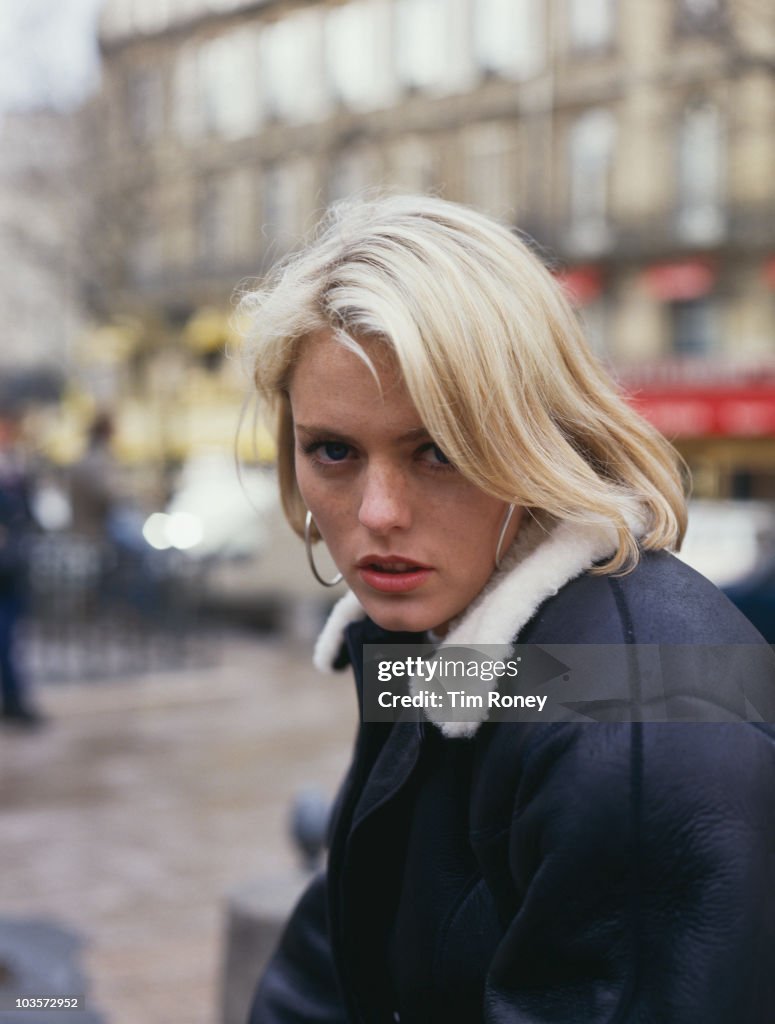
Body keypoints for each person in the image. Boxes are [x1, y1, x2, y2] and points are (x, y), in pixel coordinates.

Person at [242, 194, 775, 1023]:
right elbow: (341, 951)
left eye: (440, 452)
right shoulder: (436, 632)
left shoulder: (642, 726)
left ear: (534, 436)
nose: (377, 511)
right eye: (334, 451)